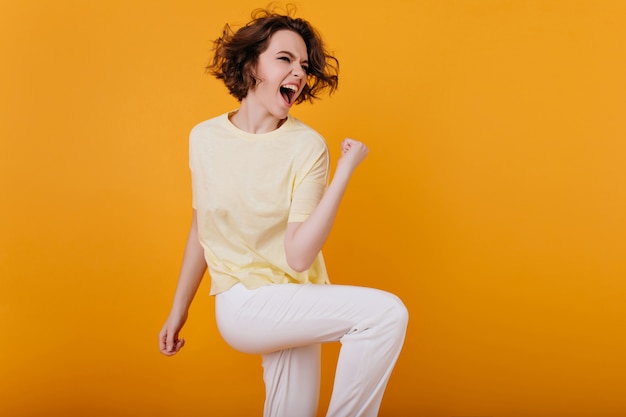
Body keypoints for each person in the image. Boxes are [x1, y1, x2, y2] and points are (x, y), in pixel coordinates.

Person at [158, 7, 408, 417]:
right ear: (251, 64)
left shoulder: (307, 147)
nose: (298, 73)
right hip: (245, 303)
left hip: (296, 297)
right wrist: (178, 310)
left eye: (304, 65)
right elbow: (202, 226)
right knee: (385, 315)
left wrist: (342, 173)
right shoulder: (204, 138)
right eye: (284, 59)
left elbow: (298, 257)